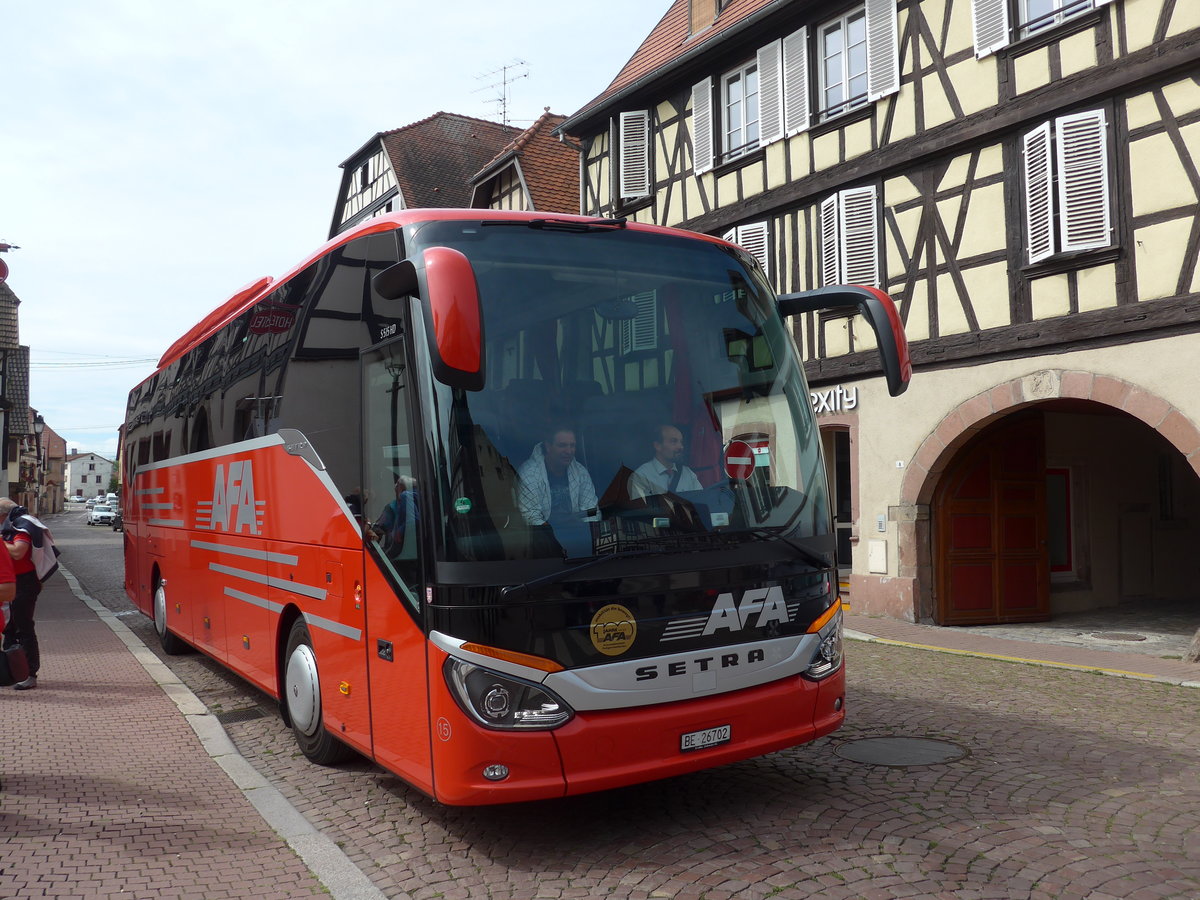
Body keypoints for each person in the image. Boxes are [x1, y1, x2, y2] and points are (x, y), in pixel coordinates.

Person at [0, 498, 45, 690]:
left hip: (24, 582)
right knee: (9, 628)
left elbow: (19, 552)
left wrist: (1, 544)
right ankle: (12, 672)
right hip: (14, 580)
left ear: (3, 514)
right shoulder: (11, 525)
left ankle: (29, 673)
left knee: (23, 626)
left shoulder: (21, 524)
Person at [516, 424, 598, 526]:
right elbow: (531, 518)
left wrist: (587, 533)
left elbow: (592, 512)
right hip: (546, 538)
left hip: (579, 537)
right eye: (562, 445)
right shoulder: (529, 475)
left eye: (572, 445)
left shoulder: (580, 472)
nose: (569, 451)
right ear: (548, 446)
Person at [629, 424, 703, 500]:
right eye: (674, 441)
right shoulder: (641, 476)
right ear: (657, 446)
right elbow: (640, 510)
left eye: (681, 442)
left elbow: (701, 501)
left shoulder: (688, 474)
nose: (681, 447)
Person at [370, 476, 419, 558]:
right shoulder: (422, 500)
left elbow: (379, 527)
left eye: (397, 489)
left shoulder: (393, 506)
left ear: (400, 489)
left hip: (398, 554)